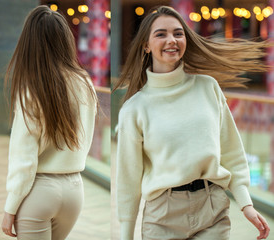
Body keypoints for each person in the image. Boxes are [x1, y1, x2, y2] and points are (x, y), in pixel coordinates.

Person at [114, 6, 270, 240]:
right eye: (161, 34)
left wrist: (246, 204)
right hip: (162, 216)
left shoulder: (208, 87)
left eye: (178, 33)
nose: (172, 40)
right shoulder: (134, 108)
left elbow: (232, 152)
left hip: (212, 208)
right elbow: (128, 179)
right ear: (146, 45)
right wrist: (126, 234)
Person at [0, 5, 97, 239]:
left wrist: (10, 208)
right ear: (65, 40)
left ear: (29, 43)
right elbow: (86, 139)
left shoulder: (31, 89)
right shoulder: (85, 83)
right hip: (75, 190)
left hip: (39, 191)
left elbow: (24, 158)